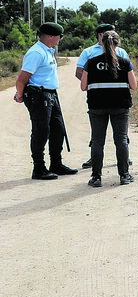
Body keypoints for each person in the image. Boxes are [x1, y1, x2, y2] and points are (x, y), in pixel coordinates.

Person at [12, 22, 78, 180]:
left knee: (58, 129)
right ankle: (39, 168)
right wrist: (20, 95)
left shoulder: (48, 51)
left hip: (50, 94)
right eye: (59, 36)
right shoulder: (36, 53)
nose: (60, 39)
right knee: (41, 131)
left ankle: (56, 163)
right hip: (39, 95)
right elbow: (22, 79)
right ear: (50, 37)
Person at [80, 30, 137, 187]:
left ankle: (96, 177)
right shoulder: (125, 62)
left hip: (97, 106)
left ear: (102, 43)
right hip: (120, 106)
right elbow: (133, 85)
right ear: (118, 43)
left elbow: (83, 86)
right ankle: (124, 175)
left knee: (97, 141)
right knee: (121, 140)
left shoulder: (91, 62)